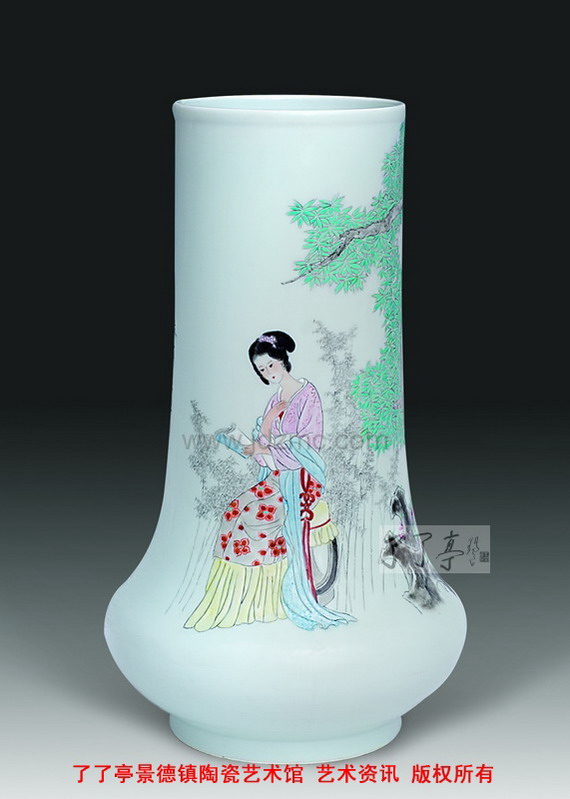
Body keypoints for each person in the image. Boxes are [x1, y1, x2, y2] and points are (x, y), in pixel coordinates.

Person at [184, 331, 356, 632]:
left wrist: (270, 450)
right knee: (234, 510)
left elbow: (308, 445)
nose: (267, 372)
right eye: (261, 369)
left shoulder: (307, 394)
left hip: (301, 478)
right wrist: (259, 438)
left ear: (283, 360)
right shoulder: (275, 400)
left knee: (254, 516)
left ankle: (282, 595)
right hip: (277, 474)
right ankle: (245, 599)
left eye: (270, 365)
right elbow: (264, 444)